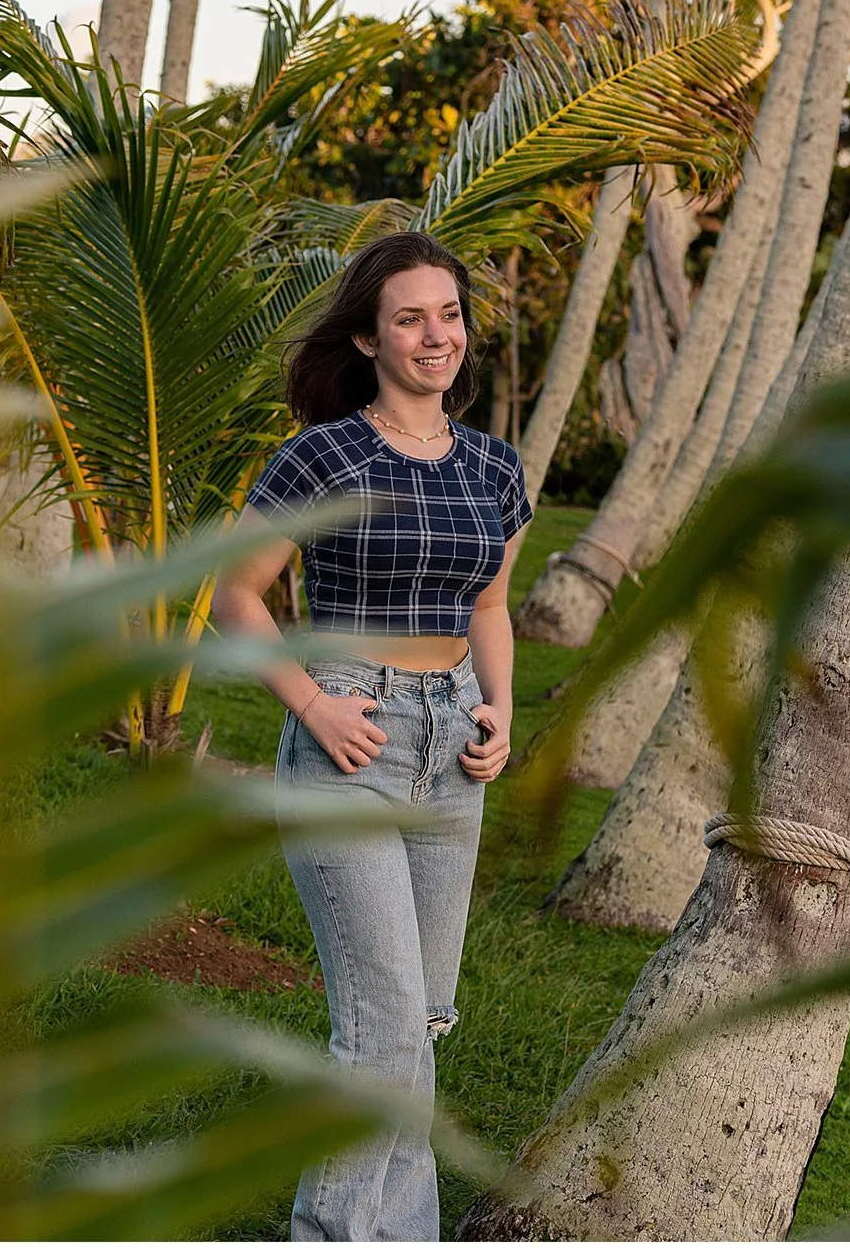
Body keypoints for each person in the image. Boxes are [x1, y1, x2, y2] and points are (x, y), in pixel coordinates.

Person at [211, 231, 532, 1240]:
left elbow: (488, 606)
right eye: (410, 318)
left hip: (453, 747)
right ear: (367, 337)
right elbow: (236, 593)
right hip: (351, 736)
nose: (436, 335)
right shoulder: (323, 456)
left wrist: (502, 714)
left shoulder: (493, 467)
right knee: (385, 1033)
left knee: (422, 1023)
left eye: (449, 314)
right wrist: (312, 704)